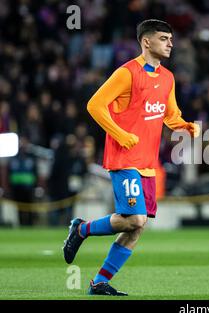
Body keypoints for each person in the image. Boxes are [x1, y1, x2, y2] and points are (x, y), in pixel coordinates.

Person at [62, 19, 199, 296]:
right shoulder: (127, 73)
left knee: (137, 227)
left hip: (148, 163)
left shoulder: (167, 78)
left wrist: (184, 125)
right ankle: (82, 229)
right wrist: (120, 134)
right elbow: (95, 105)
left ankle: (99, 282)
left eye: (171, 39)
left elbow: (170, 114)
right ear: (146, 41)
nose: (170, 43)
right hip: (124, 158)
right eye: (164, 38)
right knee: (135, 219)